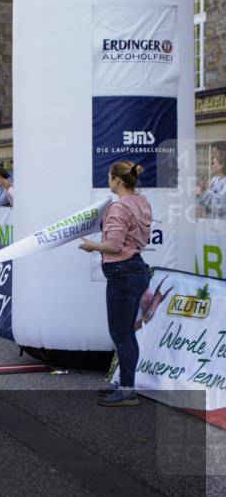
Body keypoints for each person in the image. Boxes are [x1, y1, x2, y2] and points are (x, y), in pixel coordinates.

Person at [79, 160, 152, 407]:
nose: (107, 180)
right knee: (127, 333)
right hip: (136, 268)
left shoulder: (118, 208)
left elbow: (114, 246)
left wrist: (92, 246)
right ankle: (125, 384)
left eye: (109, 176)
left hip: (122, 272)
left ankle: (127, 391)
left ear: (117, 180)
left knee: (121, 333)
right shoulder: (141, 202)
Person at [197, 151, 225, 219]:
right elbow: (207, 206)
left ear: (221, 165)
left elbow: (220, 207)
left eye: (213, 163)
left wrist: (204, 192)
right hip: (213, 224)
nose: (211, 165)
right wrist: (200, 193)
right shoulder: (214, 180)